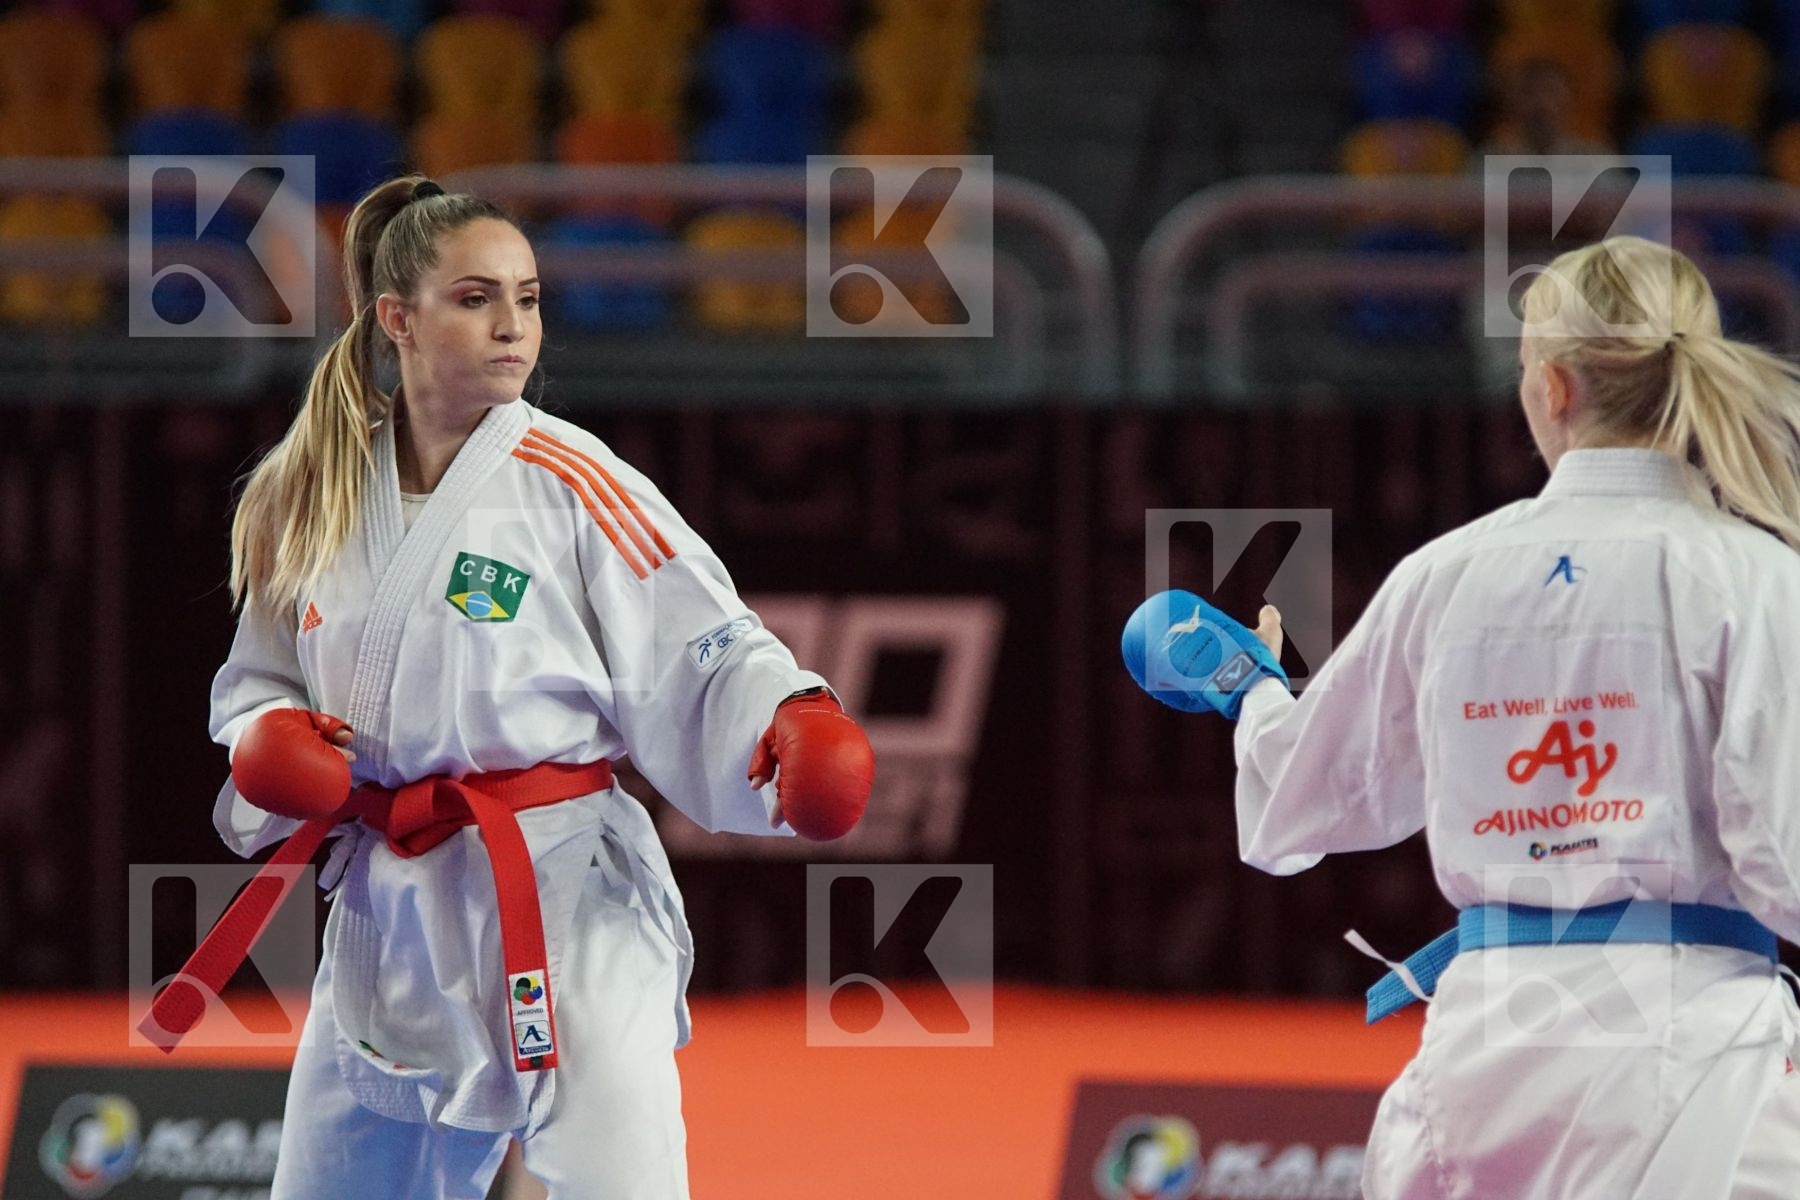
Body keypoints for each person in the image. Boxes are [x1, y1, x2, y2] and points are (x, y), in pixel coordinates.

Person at [165, 175, 875, 1198]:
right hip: (387, 902)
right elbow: (259, 678)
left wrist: (788, 713)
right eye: (476, 298)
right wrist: (267, 736)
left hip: (561, 889)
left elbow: (704, 640)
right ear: (397, 320)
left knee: (617, 1177)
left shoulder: (575, 479)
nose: (512, 325)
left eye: (529, 298)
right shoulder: (308, 488)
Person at [1123, 235, 1800, 1197]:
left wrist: (1253, 691)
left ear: (1554, 389)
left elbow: (1310, 799)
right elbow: (1784, 858)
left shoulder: (1449, 573)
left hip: (1488, 1052)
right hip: (1702, 1056)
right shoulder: (1759, 578)